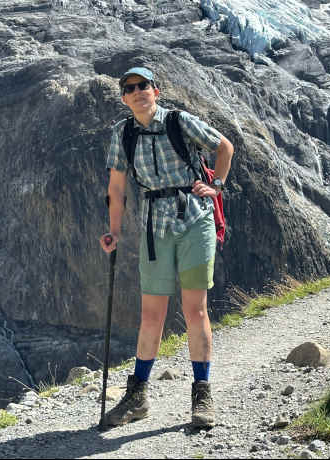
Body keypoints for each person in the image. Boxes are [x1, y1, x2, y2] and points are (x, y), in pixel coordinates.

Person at [99, 66, 234, 428]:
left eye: (144, 85)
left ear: (156, 90)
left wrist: (216, 185)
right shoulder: (122, 134)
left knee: (195, 310)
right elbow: (116, 188)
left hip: (194, 221)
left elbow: (224, 147)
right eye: (130, 88)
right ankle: (138, 395)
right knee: (151, 314)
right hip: (153, 229)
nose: (138, 91)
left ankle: (202, 393)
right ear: (124, 98)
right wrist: (113, 231)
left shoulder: (179, 121)